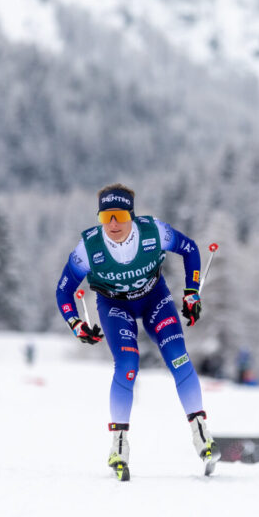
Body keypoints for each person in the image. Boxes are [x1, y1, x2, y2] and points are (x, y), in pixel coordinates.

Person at [55, 183, 218, 480]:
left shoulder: (154, 231)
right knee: (128, 366)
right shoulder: (88, 249)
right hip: (115, 307)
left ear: (131, 214)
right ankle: (118, 446)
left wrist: (192, 292)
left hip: (155, 299)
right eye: (106, 218)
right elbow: (64, 290)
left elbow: (190, 249)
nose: (113, 224)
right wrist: (76, 323)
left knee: (178, 357)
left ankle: (201, 435)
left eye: (118, 215)